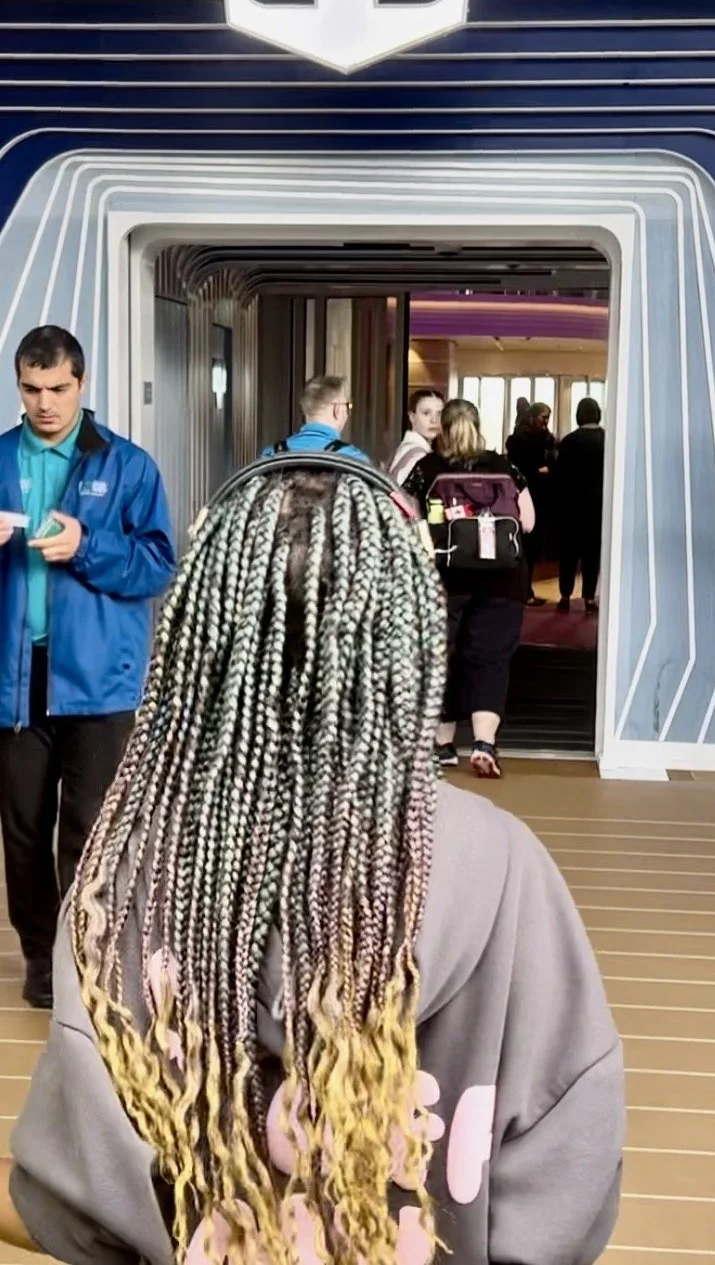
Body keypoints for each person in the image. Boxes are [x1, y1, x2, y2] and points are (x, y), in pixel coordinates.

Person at [2, 457, 624, 1265]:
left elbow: (77, 1202)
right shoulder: (504, 869)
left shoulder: (122, 880)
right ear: (405, 643)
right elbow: (566, 1168)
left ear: (198, 648)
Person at [0, 325, 176, 1011]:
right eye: (32, 389)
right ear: (19, 385)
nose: (45, 403)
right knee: (21, 828)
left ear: (81, 384)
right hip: (16, 682)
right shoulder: (2, 456)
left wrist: (87, 544)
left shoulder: (128, 466)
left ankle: (86, 959)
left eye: (58, 389)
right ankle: (41, 959)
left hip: (100, 680)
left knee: (90, 828)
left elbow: (157, 565)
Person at [406, 399, 535, 778]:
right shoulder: (505, 467)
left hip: (444, 580)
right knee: (490, 659)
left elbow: (406, 522)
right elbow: (526, 522)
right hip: (503, 580)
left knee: (441, 658)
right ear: (479, 427)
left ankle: (442, 746)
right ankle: (483, 744)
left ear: (442, 429)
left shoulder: (427, 468)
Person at [557, 396, 606, 615]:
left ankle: (565, 595)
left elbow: (560, 475)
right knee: (592, 554)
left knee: (569, 553)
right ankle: (588, 597)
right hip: (598, 505)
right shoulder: (607, 439)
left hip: (570, 505)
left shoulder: (569, 441)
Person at [506, 401, 557, 606]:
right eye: (543, 417)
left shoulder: (546, 439)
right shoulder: (519, 440)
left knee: (531, 549)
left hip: (541, 498)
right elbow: (521, 468)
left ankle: (525, 589)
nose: (546, 422)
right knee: (523, 546)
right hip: (525, 496)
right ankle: (523, 590)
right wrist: (540, 470)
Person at [263, 372, 369, 462]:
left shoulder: (270, 454)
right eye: (347, 406)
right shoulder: (354, 459)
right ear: (336, 410)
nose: (347, 413)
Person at [388, 388, 444, 485]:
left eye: (439, 414)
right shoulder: (418, 456)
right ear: (412, 417)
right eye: (426, 413)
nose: (434, 420)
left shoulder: (407, 448)